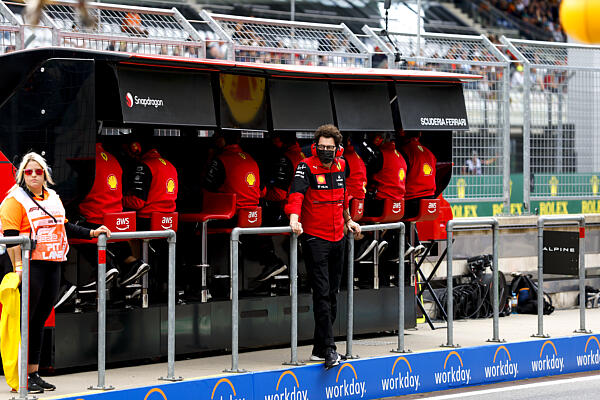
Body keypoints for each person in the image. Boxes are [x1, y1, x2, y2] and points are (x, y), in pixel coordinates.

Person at [0, 152, 110, 393]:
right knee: (25, 321)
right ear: (21, 175)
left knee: (39, 320)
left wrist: (92, 233)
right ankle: (20, 377)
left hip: (52, 263)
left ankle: (33, 372)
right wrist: (19, 269)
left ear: (45, 174)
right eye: (28, 172)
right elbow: (10, 239)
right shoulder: (14, 200)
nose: (33, 175)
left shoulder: (53, 198)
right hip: (28, 266)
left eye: (38, 171)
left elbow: (65, 226)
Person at [286, 124, 361, 369]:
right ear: (315, 146)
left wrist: (349, 220)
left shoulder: (341, 166)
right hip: (315, 239)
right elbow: (296, 195)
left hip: (338, 237)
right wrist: (294, 218)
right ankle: (329, 349)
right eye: (321, 147)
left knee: (332, 295)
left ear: (337, 148)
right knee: (321, 293)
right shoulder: (304, 166)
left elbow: (343, 197)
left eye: (330, 147)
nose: (325, 151)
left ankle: (320, 348)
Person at [204, 132, 286, 282]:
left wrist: (210, 156)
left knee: (192, 228)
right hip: (254, 216)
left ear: (221, 140)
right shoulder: (251, 159)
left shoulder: (220, 160)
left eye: (216, 136)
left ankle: (197, 279)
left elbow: (206, 188)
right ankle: (271, 259)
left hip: (231, 217)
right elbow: (263, 192)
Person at [75, 142, 149, 290]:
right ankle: (131, 262)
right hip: (116, 219)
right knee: (110, 235)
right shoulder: (113, 159)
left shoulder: (87, 159)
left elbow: (77, 189)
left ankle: (104, 267)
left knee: (73, 228)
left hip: (96, 219)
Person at [363, 133, 407, 217]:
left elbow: (366, 174)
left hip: (381, 204)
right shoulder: (401, 156)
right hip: (399, 205)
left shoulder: (380, 155)